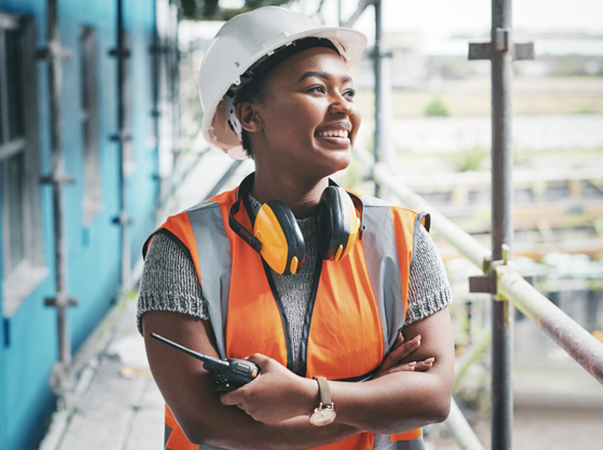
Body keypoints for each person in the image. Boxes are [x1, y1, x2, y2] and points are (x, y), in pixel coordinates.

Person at [137, 6, 454, 450]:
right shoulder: (181, 249)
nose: (343, 107)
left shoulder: (401, 238)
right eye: (317, 88)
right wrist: (371, 396)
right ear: (251, 116)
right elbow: (209, 425)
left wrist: (306, 396)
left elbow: (433, 398)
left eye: (348, 91)